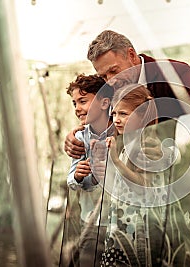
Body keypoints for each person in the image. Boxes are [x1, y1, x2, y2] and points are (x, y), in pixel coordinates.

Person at [64, 29, 190, 159]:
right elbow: (103, 124)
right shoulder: (109, 88)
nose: (110, 81)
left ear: (131, 55)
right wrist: (76, 135)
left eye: (114, 71)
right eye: (104, 76)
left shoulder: (174, 73)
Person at [96, 84, 168, 266]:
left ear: (143, 115)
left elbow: (144, 186)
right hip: (121, 225)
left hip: (137, 229)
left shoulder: (148, 143)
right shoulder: (129, 143)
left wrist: (116, 162)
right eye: (114, 114)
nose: (117, 120)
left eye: (123, 114)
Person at [65, 73, 114, 266]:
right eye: (74, 103)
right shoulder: (80, 138)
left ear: (104, 103)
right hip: (91, 223)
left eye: (82, 101)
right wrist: (78, 176)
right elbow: (71, 181)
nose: (77, 109)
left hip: (120, 223)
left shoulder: (121, 132)